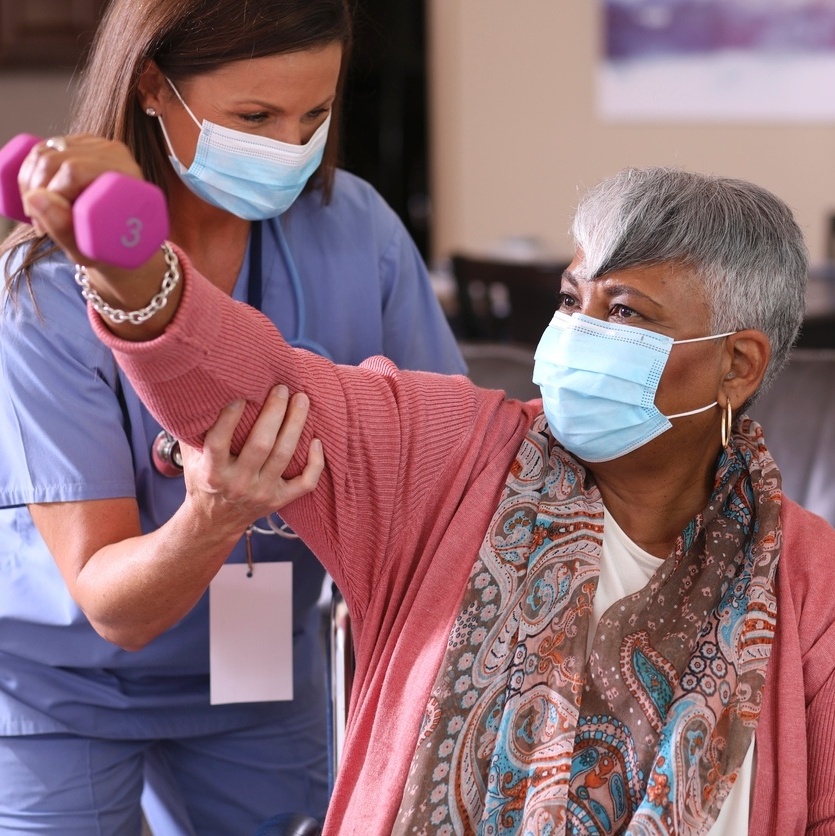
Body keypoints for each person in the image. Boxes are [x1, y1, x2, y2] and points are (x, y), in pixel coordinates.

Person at [18, 159, 835, 835]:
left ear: (737, 365)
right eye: (569, 299)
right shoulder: (449, 457)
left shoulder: (807, 583)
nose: (577, 333)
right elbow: (260, 388)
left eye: (622, 312)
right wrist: (134, 273)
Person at [0, 0, 466, 833]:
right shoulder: (46, 291)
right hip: (62, 683)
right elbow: (115, 606)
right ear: (153, 85)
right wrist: (216, 514)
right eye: (253, 117)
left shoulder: (355, 231)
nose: (289, 147)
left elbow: (451, 465)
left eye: (313, 114)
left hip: (252, 668)